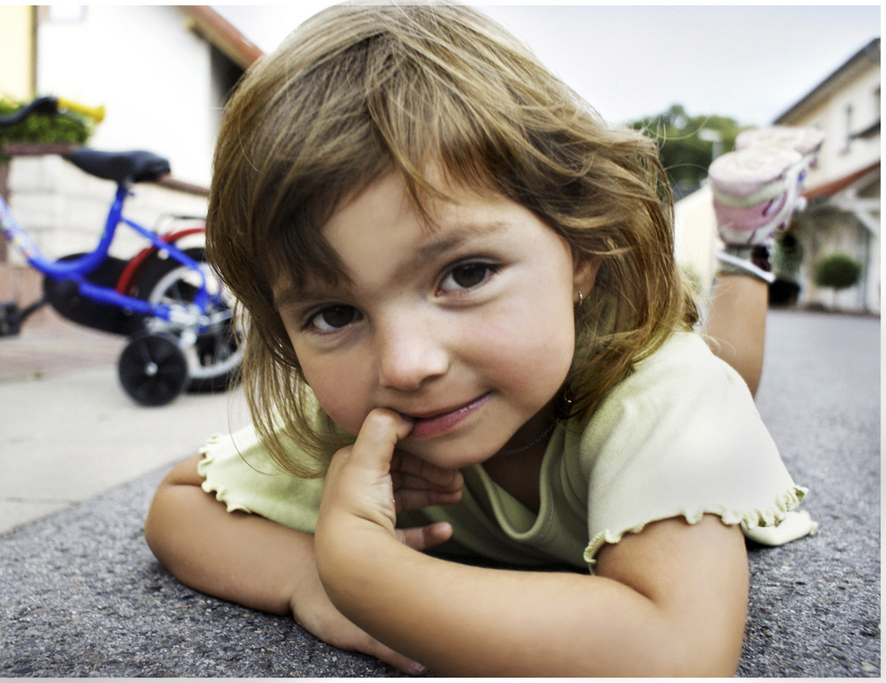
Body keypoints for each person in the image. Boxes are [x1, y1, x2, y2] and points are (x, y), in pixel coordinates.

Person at [144, 4, 817, 676]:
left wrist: (362, 569)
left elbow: (677, 653)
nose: (406, 364)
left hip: (650, 370)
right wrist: (309, 580)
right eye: (333, 313)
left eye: (465, 274)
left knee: (726, 370)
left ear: (581, 244)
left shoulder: (662, 389)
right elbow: (178, 506)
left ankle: (746, 241)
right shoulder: (365, 428)